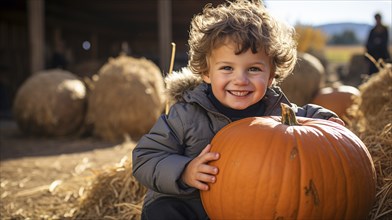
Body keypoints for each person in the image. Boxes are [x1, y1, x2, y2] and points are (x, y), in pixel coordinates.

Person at [132, 1, 344, 219]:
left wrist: (327, 120)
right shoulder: (186, 115)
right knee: (161, 210)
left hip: (249, 208)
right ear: (206, 73)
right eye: (227, 68)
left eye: (253, 69)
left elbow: (305, 117)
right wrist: (184, 171)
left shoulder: (274, 110)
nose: (240, 80)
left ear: (271, 76)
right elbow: (146, 157)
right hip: (192, 206)